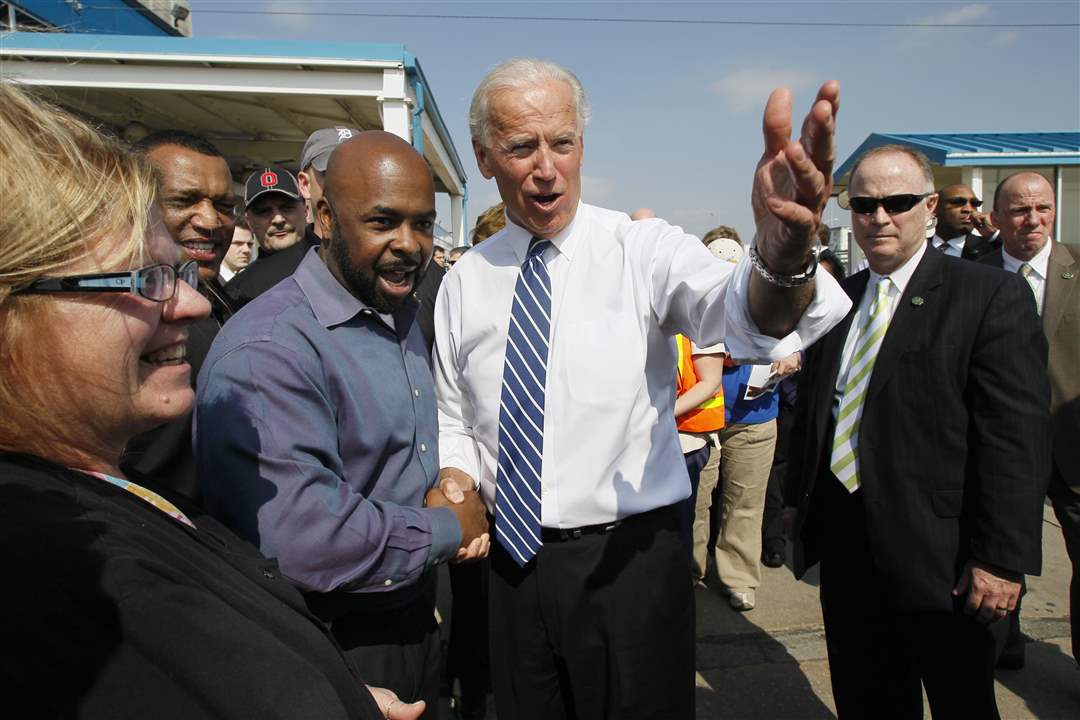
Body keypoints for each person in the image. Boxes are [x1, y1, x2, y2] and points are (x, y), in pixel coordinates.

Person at [433, 58, 850, 718]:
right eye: (521, 147)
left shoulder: (642, 249)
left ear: (581, 146)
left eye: (562, 143)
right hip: (511, 569)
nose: (547, 167)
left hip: (629, 565)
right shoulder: (464, 281)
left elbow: (741, 317)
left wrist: (782, 253)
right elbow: (455, 412)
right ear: (485, 158)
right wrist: (455, 478)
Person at [0, 82, 422, 720]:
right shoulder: (46, 566)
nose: (193, 305)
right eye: (144, 279)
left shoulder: (100, 493)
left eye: (175, 273)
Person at [195, 130, 490, 712]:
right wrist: (450, 527)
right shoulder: (268, 349)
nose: (410, 245)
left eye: (423, 224)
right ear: (324, 218)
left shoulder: (395, 312)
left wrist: (441, 481)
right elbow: (306, 536)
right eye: (383, 222)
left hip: (412, 615)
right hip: (331, 639)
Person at [783, 145, 1051, 717]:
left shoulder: (989, 296)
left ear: (930, 207)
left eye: (898, 202)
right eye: (864, 205)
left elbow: (1014, 440)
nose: (880, 217)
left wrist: (1001, 560)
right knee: (867, 698)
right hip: (849, 549)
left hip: (946, 561)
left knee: (961, 702)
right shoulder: (836, 302)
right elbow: (813, 418)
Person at [980, 171, 1080, 668]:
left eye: (1042, 208)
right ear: (996, 218)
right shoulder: (969, 273)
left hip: (1073, 448)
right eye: (1019, 210)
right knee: (998, 553)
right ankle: (1002, 648)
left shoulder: (1077, 269)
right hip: (995, 447)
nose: (1032, 219)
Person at [227, 127, 447, 351]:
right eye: (332, 172)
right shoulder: (265, 302)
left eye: (423, 224)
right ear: (305, 185)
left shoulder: (426, 274)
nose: (351, 183)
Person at [120, 129, 239, 499]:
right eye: (184, 201)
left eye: (224, 206)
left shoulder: (225, 303)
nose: (210, 221)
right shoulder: (118, 318)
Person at [931, 183, 1000, 260]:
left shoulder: (990, 249)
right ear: (934, 207)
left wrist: (993, 236)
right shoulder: (918, 247)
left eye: (974, 203)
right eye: (958, 202)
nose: (968, 209)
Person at [219, 217, 255, 282]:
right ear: (222, 245)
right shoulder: (207, 284)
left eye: (249, 244)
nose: (246, 250)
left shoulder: (254, 280)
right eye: (238, 243)